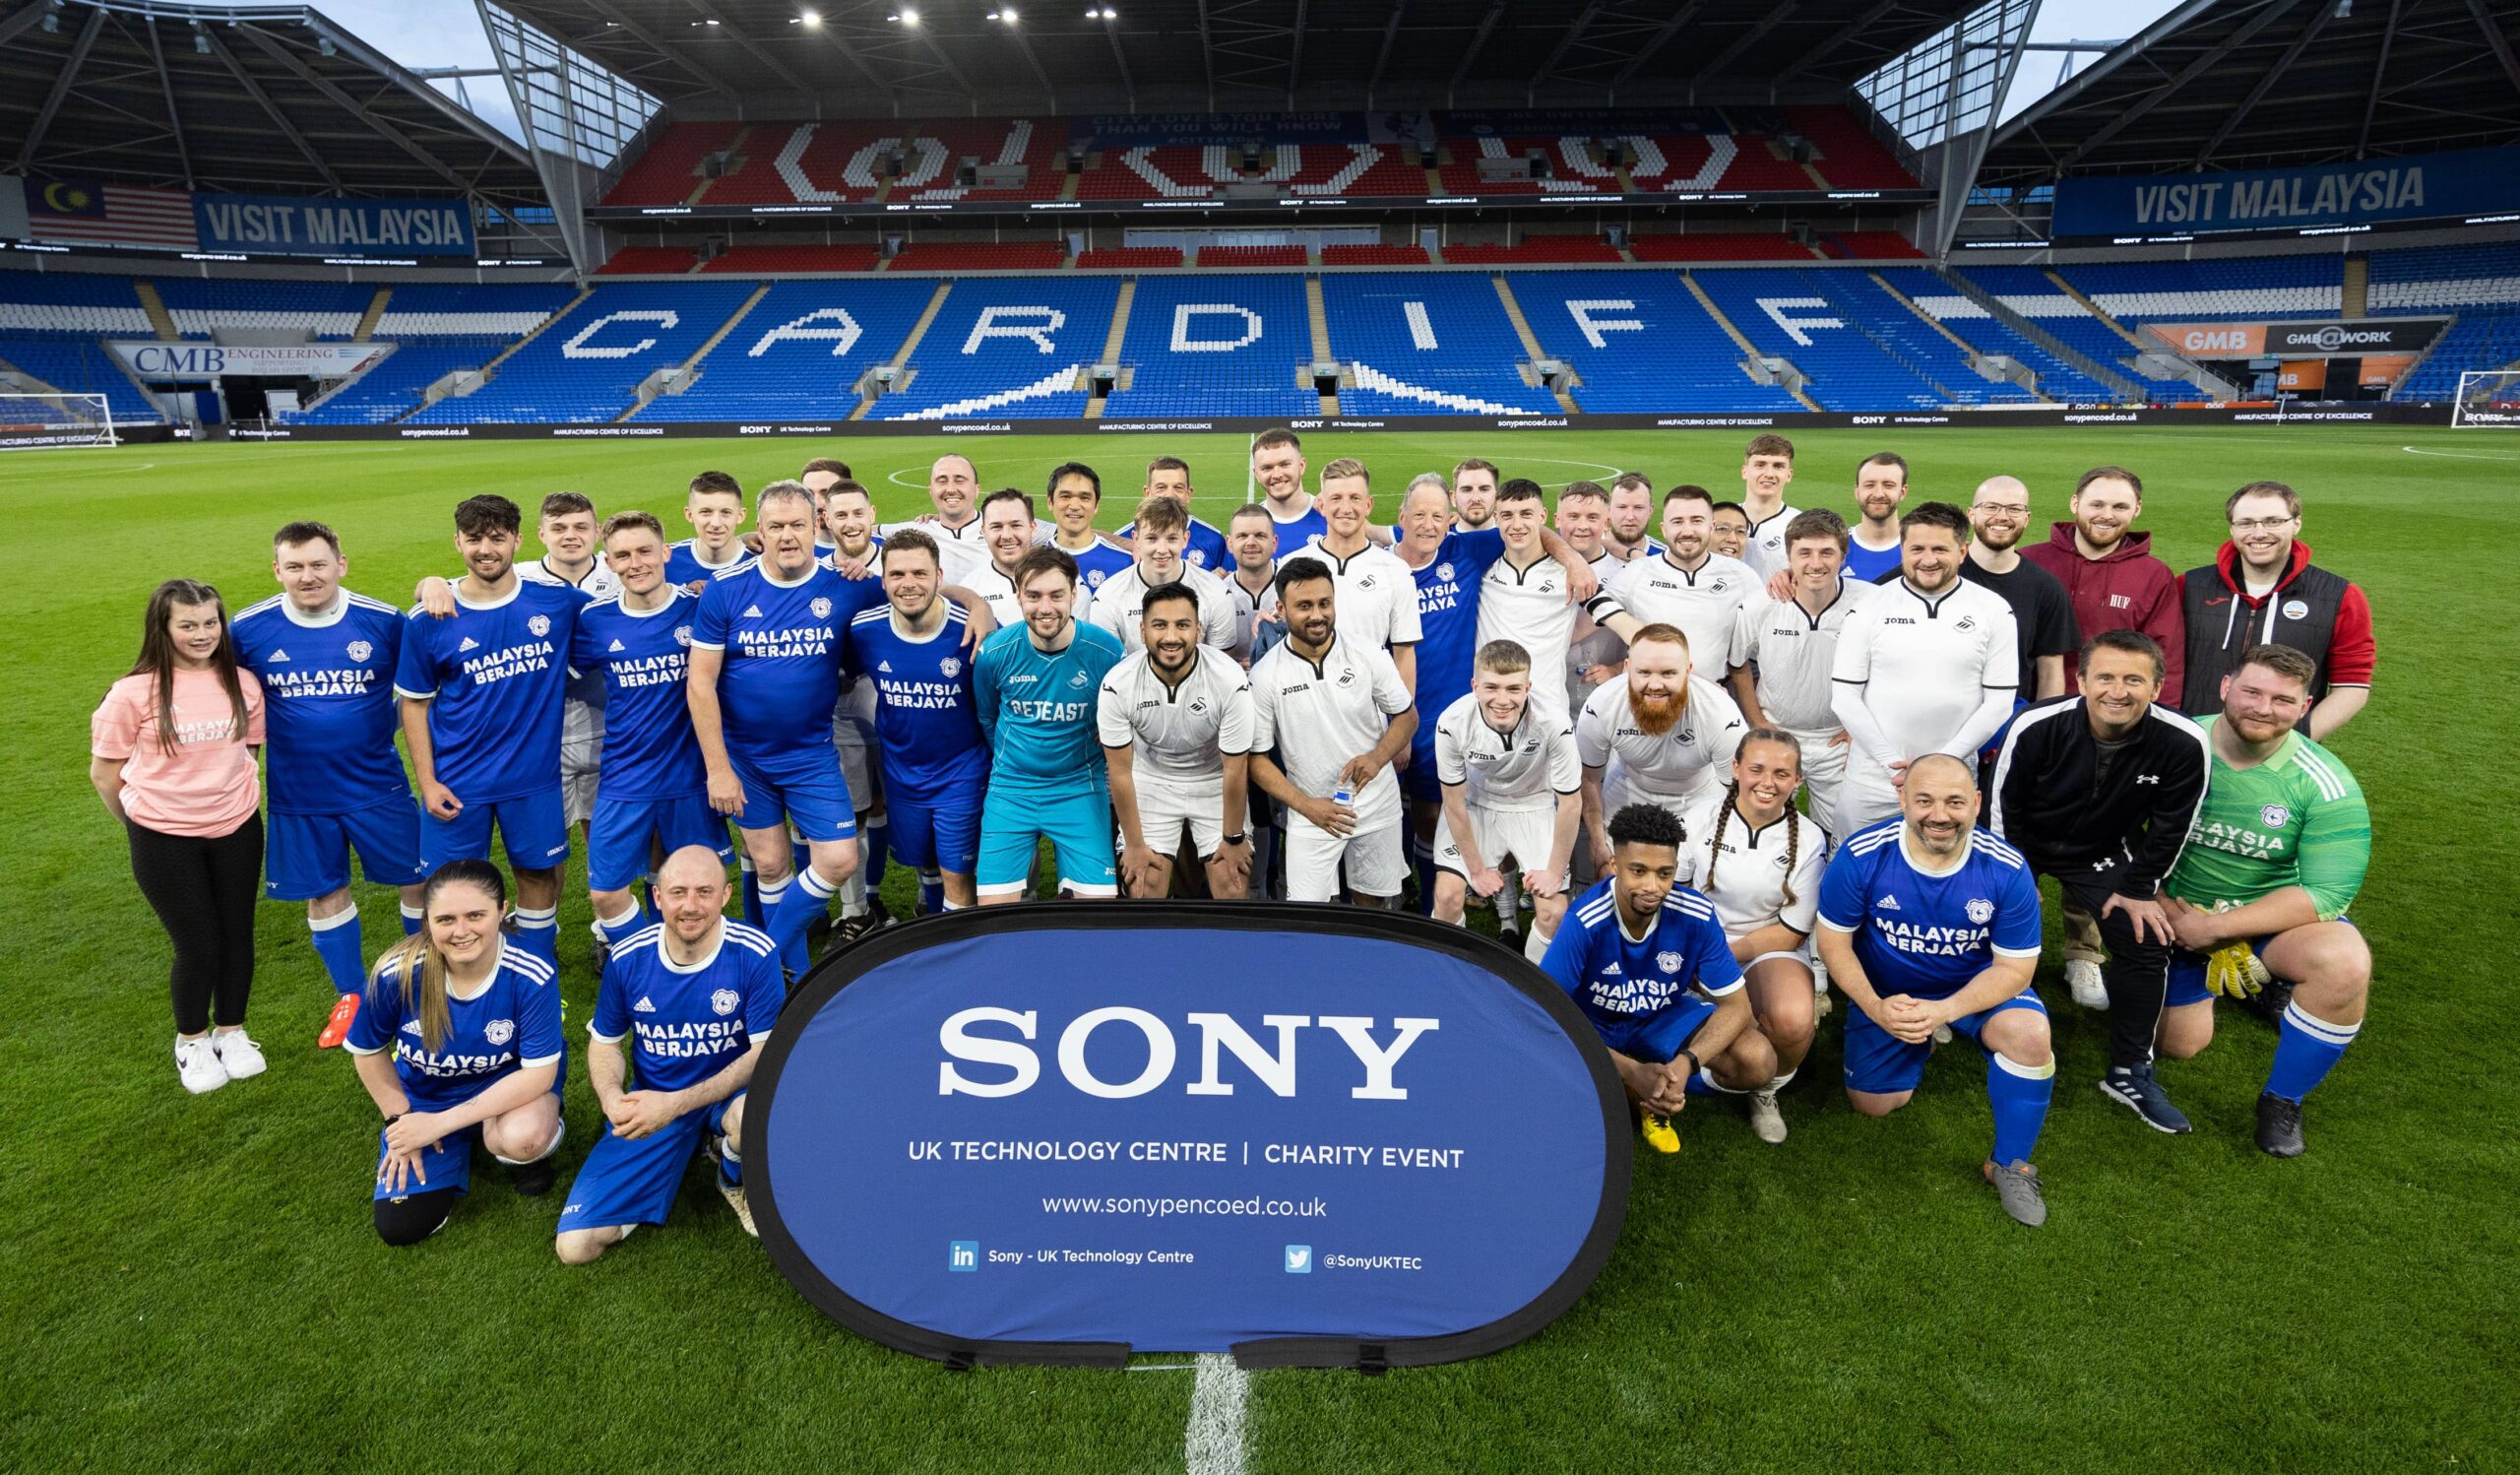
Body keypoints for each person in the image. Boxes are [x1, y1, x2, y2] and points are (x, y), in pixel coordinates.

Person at [1816, 754, 2053, 1227]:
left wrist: (1945, 1010)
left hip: (1972, 991)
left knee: (2029, 1035)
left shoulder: (2006, 868)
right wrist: (1875, 1007)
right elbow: (1833, 943)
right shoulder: (1863, 855)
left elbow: (2015, 970)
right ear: (1902, 798)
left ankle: (2010, 1164)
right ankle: (1914, 1039)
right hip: (1890, 996)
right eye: (1924, 800)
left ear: (1977, 804)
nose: (1939, 815)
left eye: (1954, 802)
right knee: (1875, 1105)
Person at [1988, 630, 2212, 1133]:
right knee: (1982, 918)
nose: (2118, 690)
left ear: (2157, 687)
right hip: (2022, 845)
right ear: (2082, 679)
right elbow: (2003, 807)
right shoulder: (2035, 724)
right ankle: (1969, 1015)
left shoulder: (2183, 740)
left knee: (2147, 938)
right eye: (2105, 676)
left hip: (2103, 851)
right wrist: (2008, 880)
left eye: (2135, 679)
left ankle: (2130, 1070)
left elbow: (2175, 824)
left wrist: (2138, 889)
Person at [2157, 645, 2372, 1159]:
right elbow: (2112, 840)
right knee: (2179, 1046)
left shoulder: (2326, 782)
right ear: (2227, 687)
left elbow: (2329, 891)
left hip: (2263, 921)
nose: (2262, 707)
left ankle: (2283, 1100)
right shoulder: (2171, 745)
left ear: (2305, 707)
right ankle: (2252, 986)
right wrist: (2166, 907)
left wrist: (2221, 930)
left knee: (2344, 964)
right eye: (2252, 691)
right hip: (2173, 917)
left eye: (2282, 699)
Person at [232, 523, 426, 1046]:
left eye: (318, 564)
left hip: (378, 786)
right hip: (299, 798)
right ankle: (352, 997)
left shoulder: (384, 621)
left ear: (342, 564)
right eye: (294, 567)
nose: (307, 576)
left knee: (419, 880)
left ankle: (424, 979)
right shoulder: (247, 630)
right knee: (324, 893)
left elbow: (421, 687)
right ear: (277, 571)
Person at [688, 481, 881, 973]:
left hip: (811, 753)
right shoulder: (727, 591)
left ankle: (762, 954)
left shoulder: (848, 585)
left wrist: (980, 607)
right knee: (771, 865)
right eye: (776, 526)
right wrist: (718, 770)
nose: (788, 536)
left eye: (798, 524)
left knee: (838, 859)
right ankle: (788, 978)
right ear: (760, 532)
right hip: (744, 759)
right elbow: (701, 683)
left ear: (817, 526)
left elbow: (920, 587)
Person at [555, 847, 783, 1262]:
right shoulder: (628, 957)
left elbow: (764, 1052)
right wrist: (612, 1101)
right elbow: (605, 1042)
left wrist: (677, 1104)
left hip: (727, 1097)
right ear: (658, 897)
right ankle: (682, 1150)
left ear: (725, 895)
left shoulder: (755, 952)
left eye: (704, 892)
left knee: (751, 1116)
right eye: (678, 892)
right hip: (654, 1098)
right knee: (576, 1247)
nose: (690, 906)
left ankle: (731, 1175)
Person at [394, 494, 589, 969]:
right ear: (457, 541)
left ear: (517, 541)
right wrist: (428, 781)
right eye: (475, 539)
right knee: (447, 886)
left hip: (534, 780)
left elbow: (632, 602)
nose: (486, 549)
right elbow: (414, 706)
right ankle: (447, 985)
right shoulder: (430, 619)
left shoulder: (557, 603)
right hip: (458, 783)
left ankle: (536, 975)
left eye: (497, 538)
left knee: (538, 876)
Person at [94, 579, 269, 1093]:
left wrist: (223, 801)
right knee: (197, 943)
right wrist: (144, 827)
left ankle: (232, 1031)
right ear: (163, 628)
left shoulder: (243, 683)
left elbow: (248, 753)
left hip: (236, 827)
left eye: (210, 623)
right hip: (163, 838)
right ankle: (191, 1041)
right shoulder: (132, 693)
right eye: (187, 624)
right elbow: (105, 774)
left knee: (237, 933)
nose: (201, 634)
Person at [346, 860, 565, 1246]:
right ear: (427, 920)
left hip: (509, 1096)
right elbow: (367, 1050)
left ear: (502, 911)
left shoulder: (533, 971)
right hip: (424, 1100)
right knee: (401, 1226)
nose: (461, 931)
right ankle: (466, 1140)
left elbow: (538, 1075)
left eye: (475, 915)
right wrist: (400, 1120)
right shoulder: (396, 972)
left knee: (524, 1137)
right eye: (445, 919)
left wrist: (439, 1125)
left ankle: (516, 1152)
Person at [1541, 803, 1763, 1156]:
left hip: (1659, 1017)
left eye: (1664, 873)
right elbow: (1545, 1017)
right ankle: (1640, 1091)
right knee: (1554, 1074)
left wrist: (1685, 1063)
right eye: (1638, 871)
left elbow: (1737, 1006)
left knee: (1757, 1059)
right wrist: (1630, 1070)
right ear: (1615, 866)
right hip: (1595, 1025)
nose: (1652, 886)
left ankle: (1661, 1086)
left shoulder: (1696, 913)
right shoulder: (1583, 921)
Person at [571, 512, 732, 963]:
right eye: (623, 555)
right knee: (605, 892)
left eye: (645, 550)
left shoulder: (700, 607)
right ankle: (645, 961)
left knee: (699, 887)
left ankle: (699, 963)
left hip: (691, 776)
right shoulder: (594, 620)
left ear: (666, 552)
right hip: (626, 775)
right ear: (609, 562)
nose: (635, 562)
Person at [1673, 731, 1830, 1143]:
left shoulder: (1811, 838)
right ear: (1736, 769)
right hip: (1697, 942)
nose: (1767, 782)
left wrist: (1721, 957)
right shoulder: (1697, 818)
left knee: (1793, 1021)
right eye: (1757, 769)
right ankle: (1726, 1059)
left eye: (1782, 773)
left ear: (1798, 781)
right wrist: (1694, 952)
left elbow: (1793, 930)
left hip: (1766, 946)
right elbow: (1676, 898)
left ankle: (1765, 1089)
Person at [1827, 501, 2019, 835]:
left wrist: (1939, 765)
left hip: (1953, 777)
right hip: (1874, 777)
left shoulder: (1994, 611)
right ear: (1903, 550)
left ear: (1962, 551)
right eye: (1917, 548)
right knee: (1853, 868)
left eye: (1939, 549)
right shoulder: (1869, 607)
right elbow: (1844, 698)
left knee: (1946, 872)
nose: (1927, 559)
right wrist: (1892, 765)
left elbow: (1999, 704)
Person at [1248, 557, 1418, 906]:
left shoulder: (1369, 654)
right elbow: (1257, 760)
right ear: (1281, 608)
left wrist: (1376, 759)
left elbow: (1407, 716)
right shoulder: (1265, 675)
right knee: (1309, 917)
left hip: (1376, 804)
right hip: (1310, 811)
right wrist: (1306, 805)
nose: (1317, 615)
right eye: (1304, 606)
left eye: (1324, 603)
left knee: (1373, 907)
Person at [841, 530, 993, 912]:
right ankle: (932, 915)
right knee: (924, 860)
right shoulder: (864, 630)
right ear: (884, 578)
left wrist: (978, 604)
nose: (909, 584)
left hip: (962, 772)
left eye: (920, 574)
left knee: (957, 872)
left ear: (939, 577)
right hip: (902, 772)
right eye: (898, 575)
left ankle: (956, 953)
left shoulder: (974, 630)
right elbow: (839, 674)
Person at [973, 545, 1127, 903]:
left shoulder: (1106, 652)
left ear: (1074, 594)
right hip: (1011, 789)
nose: (1045, 608)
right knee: (993, 917)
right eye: (1033, 596)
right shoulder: (995, 652)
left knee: (1097, 916)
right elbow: (987, 715)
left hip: (1079, 787)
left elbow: (1119, 723)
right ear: (1018, 596)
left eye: (1057, 595)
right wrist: (1015, 760)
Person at [2177, 481, 2374, 740]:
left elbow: (2352, 687)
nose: (2258, 533)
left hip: (2280, 754)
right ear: (2232, 528)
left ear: (2296, 523)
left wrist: (2295, 741)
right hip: (2192, 745)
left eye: (2273, 521)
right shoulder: (2188, 586)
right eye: (2246, 523)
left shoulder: (2341, 596)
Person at [1099, 582, 1257, 900]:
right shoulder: (1117, 684)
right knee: (1143, 885)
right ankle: (1151, 950)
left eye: (1182, 625)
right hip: (1151, 779)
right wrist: (1134, 844)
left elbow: (1235, 769)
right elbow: (1120, 772)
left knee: (1232, 884)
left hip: (1213, 780)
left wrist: (1234, 838)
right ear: (1142, 631)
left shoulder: (1230, 680)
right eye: (1160, 625)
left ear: (1199, 629)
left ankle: (1228, 950)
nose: (1171, 637)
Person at [1431, 641, 1579, 960]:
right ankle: (1445, 981)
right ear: (1475, 686)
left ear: (1528, 687)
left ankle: (1535, 989)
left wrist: (1554, 873)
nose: (1502, 700)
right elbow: (1453, 804)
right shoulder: (1452, 723)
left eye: (1514, 688)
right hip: (1476, 802)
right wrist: (1477, 871)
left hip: (1534, 803)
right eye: (1491, 687)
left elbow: (1570, 804)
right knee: (1446, 897)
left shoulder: (1555, 722)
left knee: (1554, 912)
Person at [1728, 509, 1870, 837]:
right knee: (1760, 828)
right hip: (1776, 734)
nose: (1816, 563)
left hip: (1838, 741)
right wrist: (1757, 722)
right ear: (1789, 557)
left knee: (1842, 837)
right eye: (1804, 553)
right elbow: (1738, 666)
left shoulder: (1868, 603)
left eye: (1827, 553)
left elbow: (1888, 668)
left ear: (1843, 556)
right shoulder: (1760, 605)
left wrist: (1858, 727)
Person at [1577, 624, 1748, 867]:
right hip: (1629, 787)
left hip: (1700, 795)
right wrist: (1597, 841)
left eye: (1668, 673)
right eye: (1644, 673)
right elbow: (1588, 778)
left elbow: (1738, 792)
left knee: (1700, 880)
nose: (1655, 685)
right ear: (1627, 669)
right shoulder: (1602, 705)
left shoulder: (1721, 714)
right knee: (1616, 876)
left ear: (1688, 671)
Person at [510, 492, 621, 851]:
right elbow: (454, 590)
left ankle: (609, 907)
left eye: (580, 527)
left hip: (611, 731)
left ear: (598, 531)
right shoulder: (515, 579)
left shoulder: (623, 571)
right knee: (548, 850)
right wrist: (431, 583)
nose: (569, 535)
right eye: (558, 528)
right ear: (542, 534)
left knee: (606, 843)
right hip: (542, 737)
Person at [2020, 466, 2184, 705]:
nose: (2107, 515)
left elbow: (2165, 660)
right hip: (2028, 710)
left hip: (2112, 713)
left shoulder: (2155, 575)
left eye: (2120, 507)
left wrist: (2161, 723)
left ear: (2137, 509)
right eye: (2097, 505)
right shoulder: (2029, 561)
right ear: (2075, 503)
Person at [818, 480, 896, 935]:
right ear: (825, 519)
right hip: (838, 697)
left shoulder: (898, 559)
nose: (850, 523)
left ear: (873, 514)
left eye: (857, 513)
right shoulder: (813, 568)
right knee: (856, 805)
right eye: (839, 515)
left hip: (894, 694)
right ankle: (855, 910)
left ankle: (888, 893)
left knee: (895, 798)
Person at [1277, 458, 1422, 691]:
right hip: (1306, 707)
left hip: (1370, 713)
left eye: (1355, 498)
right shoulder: (1290, 565)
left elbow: (1404, 654)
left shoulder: (1394, 570)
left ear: (1368, 505)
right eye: (1336, 498)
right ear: (1322, 505)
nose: (1346, 508)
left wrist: (1402, 719)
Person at [1606, 486, 1757, 685]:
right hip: (1647, 695)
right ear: (1663, 529)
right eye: (1677, 522)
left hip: (1712, 699)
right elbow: (1593, 609)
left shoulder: (1741, 575)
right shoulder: (1636, 573)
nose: (1687, 531)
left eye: (1696, 521)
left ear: (1710, 527)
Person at [1960, 476, 2077, 704]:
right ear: (1971, 514)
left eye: (2014, 509)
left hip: (2007, 725)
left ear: (2027, 518)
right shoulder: (1937, 573)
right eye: (1991, 507)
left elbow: (2051, 673)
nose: (2002, 516)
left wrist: (2041, 729)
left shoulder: (2046, 589)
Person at [1087, 494, 1240, 653]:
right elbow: (1111, 667)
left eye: (1172, 539)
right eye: (1152, 539)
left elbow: (1218, 664)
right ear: (1136, 539)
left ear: (1185, 539)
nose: (1161, 550)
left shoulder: (1216, 592)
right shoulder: (1108, 596)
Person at [1119, 455, 1229, 570]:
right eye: (1161, 487)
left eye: (1178, 487)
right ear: (1147, 493)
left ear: (1188, 494)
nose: (1170, 495)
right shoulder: (1122, 538)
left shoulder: (1214, 540)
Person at [1043, 461, 1135, 595]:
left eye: (1084, 498)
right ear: (1050, 502)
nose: (1074, 505)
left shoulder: (1124, 562)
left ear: (1096, 505)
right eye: (1065, 496)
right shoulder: (1032, 562)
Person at [1219, 501, 1283, 667]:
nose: (1251, 542)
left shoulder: (1293, 589)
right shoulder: (1217, 594)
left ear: (1274, 543)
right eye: (1242, 536)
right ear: (1229, 544)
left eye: (1260, 535)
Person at [666, 471, 754, 588]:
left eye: (726, 512)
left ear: (740, 516)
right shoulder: (665, 560)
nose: (716, 523)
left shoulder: (760, 563)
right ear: (689, 514)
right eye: (706, 512)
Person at [882, 454, 987, 549]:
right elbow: (870, 530)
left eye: (959, 481)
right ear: (931, 491)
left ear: (977, 490)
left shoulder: (996, 526)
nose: (951, 489)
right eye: (942, 482)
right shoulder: (917, 531)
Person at [1735, 433, 1802, 577]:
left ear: (1789, 475)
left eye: (1778, 466)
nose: (1769, 474)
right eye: (1760, 465)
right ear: (1744, 471)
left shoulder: (1801, 525)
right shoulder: (1721, 519)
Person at [1250, 426, 1328, 548]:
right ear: (1257, 474)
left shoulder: (1332, 517)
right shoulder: (1247, 528)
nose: (1277, 475)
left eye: (1285, 464)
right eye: (1267, 468)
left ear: (1301, 466)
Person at [1842, 452, 1910, 583]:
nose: (1878, 494)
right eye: (1869, 485)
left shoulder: (1922, 548)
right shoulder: (1836, 547)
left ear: (1903, 492)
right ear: (1857, 491)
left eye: (1888, 485)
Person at [1605, 473, 1665, 563]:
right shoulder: (1586, 551)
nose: (1630, 517)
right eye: (1622, 507)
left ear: (1650, 511)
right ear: (1608, 509)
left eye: (1638, 508)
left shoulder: (1663, 557)